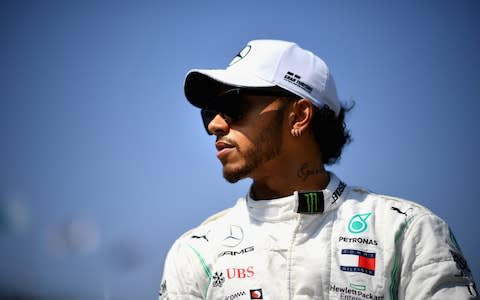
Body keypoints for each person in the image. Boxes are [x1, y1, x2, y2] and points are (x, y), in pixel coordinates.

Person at [159, 39, 477, 299]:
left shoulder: (406, 233)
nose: (215, 125)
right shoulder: (195, 251)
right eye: (210, 113)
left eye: (233, 107)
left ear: (299, 116)